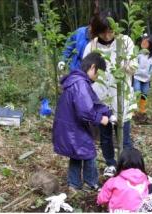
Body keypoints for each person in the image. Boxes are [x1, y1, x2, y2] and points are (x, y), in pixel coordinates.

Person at [83, 11, 138, 177]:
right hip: (101, 98)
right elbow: (86, 70)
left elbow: (134, 64)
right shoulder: (92, 46)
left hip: (122, 97)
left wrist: (123, 67)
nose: (107, 35)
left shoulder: (125, 41)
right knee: (105, 135)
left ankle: (127, 165)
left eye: (110, 31)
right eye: (103, 31)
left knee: (124, 135)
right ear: (96, 31)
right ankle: (110, 163)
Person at [52, 52, 113, 192]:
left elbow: (93, 101)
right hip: (74, 128)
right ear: (93, 67)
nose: (97, 78)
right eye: (98, 74)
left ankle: (74, 184)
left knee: (76, 154)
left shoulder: (78, 80)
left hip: (69, 127)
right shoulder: (80, 84)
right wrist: (100, 118)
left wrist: (107, 112)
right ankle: (90, 183)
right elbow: (85, 111)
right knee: (89, 153)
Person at [97, 148, 149, 212]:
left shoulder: (113, 181)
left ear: (121, 163)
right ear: (140, 163)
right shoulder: (145, 180)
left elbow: (102, 200)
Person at [133, 34, 152, 114]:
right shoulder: (138, 53)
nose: (144, 44)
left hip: (147, 78)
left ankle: (142, 109)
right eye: (143, 42)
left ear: (150, 44)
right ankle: (133, 109)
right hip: (137, 77)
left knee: (145, 93)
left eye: (146, 42)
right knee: (136, 91)